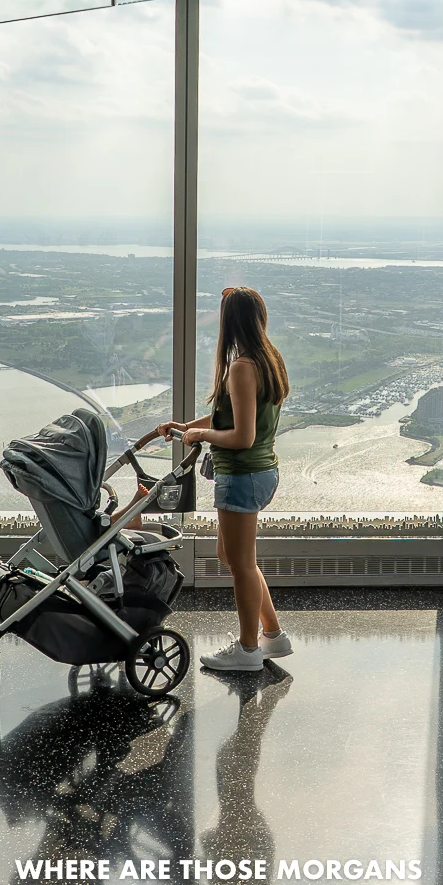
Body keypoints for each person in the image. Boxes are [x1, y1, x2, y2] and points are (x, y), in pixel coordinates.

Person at [144, 285, 292, 671]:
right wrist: (188, 426)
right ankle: (273, 635)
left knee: (241, 563)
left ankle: (247, 650)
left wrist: (201, 436)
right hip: (261, 472)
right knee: (232, 556)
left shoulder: (242, 366)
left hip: (242, 474)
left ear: (229, 322)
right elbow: (235, 415)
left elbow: (241, 437)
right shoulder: (268, 357)